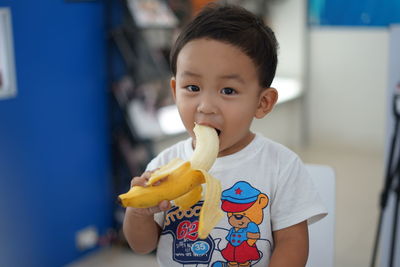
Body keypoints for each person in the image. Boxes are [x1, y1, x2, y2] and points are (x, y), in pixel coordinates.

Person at [123, 3, 327, 267]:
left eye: (228, 91)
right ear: (175, 92)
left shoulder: (281, 167)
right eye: (192, 87)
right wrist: (139, 212)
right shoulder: (164, 166)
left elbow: (292, 243)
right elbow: (142, 245)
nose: (205, 106)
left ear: (262, 102)